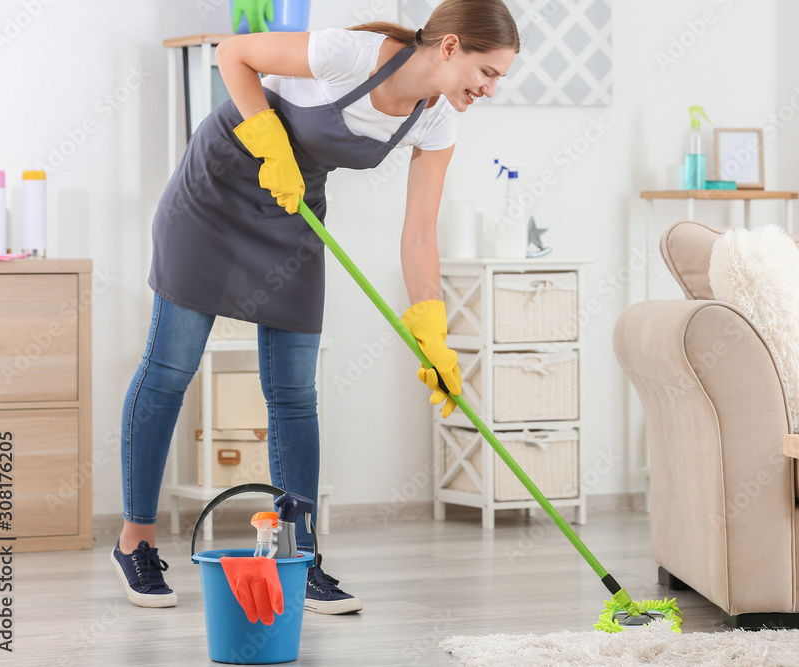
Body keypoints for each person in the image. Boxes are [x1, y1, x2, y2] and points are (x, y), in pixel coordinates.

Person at [110, 0, 519, 615]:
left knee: (295, 392)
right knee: (170, 370)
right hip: (214, 194)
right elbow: (233, 53)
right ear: (451, 46)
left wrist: (433, 329)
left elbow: (418, 236)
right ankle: (135, 542)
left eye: (499, 79)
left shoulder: (436, 122)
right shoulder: (350, 53)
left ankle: (296, 556)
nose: (490, 89)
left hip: (293, 210)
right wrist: (268, 137)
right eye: (488, 73)